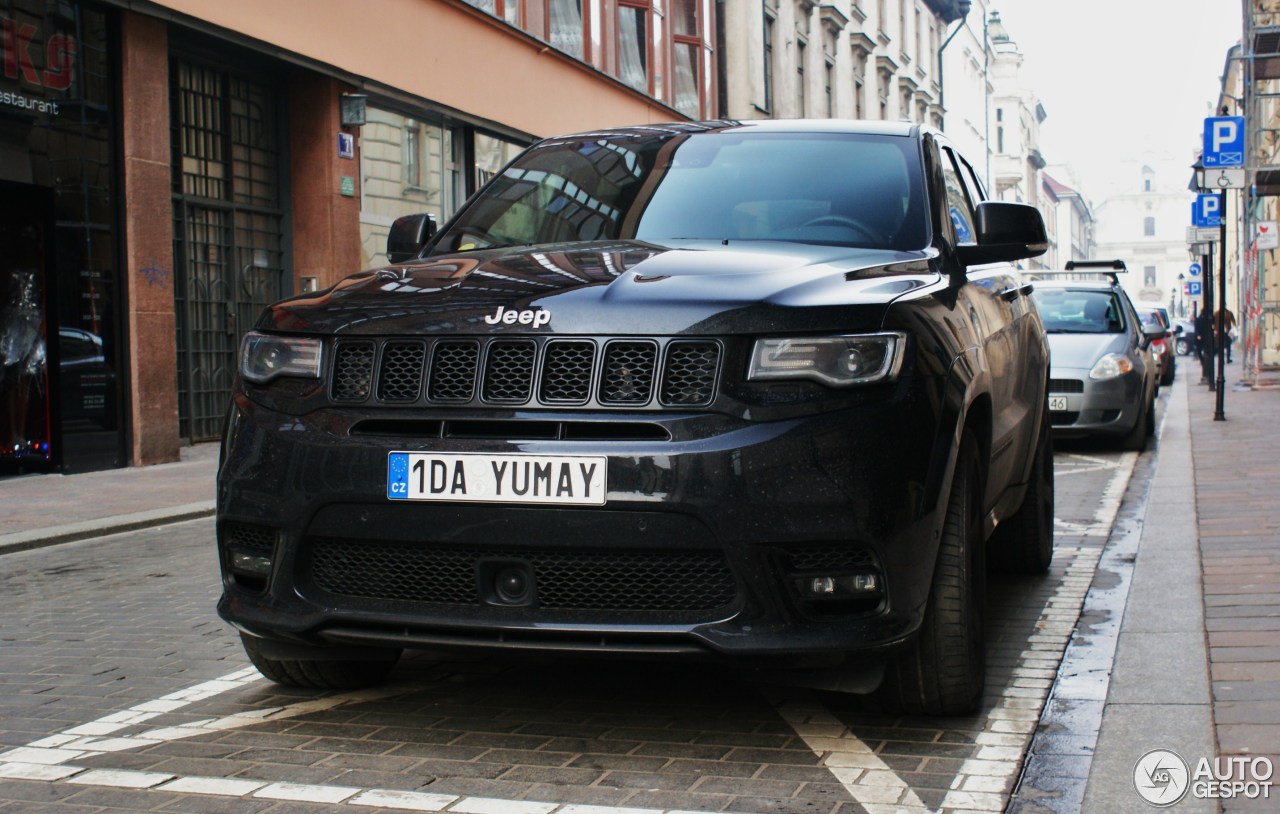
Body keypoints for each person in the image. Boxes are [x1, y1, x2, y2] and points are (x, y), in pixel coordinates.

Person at [1195, 307, 1215, 387]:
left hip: (1205, 337)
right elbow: (1197, 328)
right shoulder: (1200, 318)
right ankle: (1203, 363)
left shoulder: (1209, 318)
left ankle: (1205, 365)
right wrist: (1198, 335)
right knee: (1200, 351)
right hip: (1201, 337)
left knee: (1204, 351)